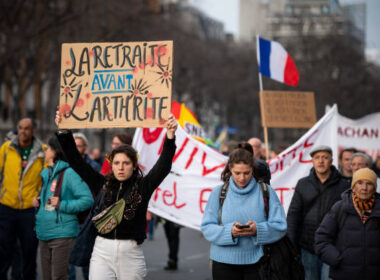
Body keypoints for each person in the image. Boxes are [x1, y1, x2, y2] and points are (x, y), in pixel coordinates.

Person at [55, 111, 177, 279]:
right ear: (111, 165)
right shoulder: (101, 184)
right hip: (101, 253)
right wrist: (64, 132)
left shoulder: (143, 186)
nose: (120, 167)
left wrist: (170, 137)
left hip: (131, 254)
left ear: (134, 166)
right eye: (117, 163)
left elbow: (163, 166)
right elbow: (76, 161)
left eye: (126, 163)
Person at [201, 146, 287, 280]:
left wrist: (258, 230)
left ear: (252, 169)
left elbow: (280, 226)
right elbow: (207, 227)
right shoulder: (218, 193)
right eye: (237, 173)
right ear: (230, 168)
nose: (242, 178)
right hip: (223, 264)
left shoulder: (266, 191)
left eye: (246, 173)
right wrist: (229, 232)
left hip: (258, 263)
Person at [33, 137, 93, 280]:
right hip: (44, 234)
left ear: (55, 151)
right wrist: (39, 201)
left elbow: (87, 200)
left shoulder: (69, 173)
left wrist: (62, 204)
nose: (45, 151)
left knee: (58, 277)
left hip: (62, 235)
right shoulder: (47, 173)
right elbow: (51, 199)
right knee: (47, 277)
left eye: (47, 148)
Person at [287, 145, 350, 280]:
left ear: (331, 161)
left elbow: (347, 217)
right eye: (317, 158)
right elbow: (293, 215)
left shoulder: (344, 185)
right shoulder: (303, 184)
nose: (321, 161)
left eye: (325, 157)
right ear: (312, 161)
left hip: (333, 246)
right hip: (308, 246)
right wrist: (291, 244)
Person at [315, 168, 380, 280]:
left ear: (374, 188)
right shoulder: (340, 208)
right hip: (344, 275)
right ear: (353, 186)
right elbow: (321, 239)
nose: (364, 188)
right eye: (360, 183)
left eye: (369, 183)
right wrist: (336, 259)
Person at [0, 118, 45, 280]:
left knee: (29, 250)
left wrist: (40, 197)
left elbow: (48, 179)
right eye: (20, 128)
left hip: (29, 209)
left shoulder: (42, 151)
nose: (23, 131)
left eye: (27, 128)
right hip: (7, 207)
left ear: (33, 131)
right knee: (4, 249)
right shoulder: (6, 148)